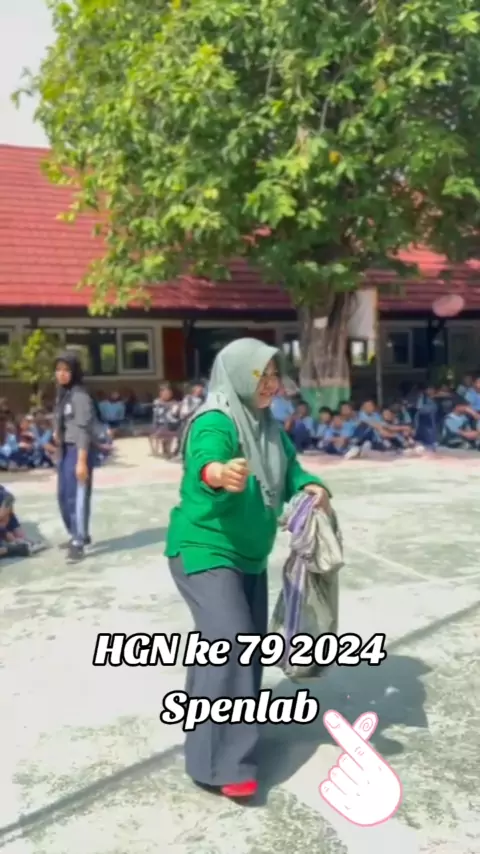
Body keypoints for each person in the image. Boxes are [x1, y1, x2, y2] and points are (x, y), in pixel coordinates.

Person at [165, 338, 330, 800]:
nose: (271, 384)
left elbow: (291, 470)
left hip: (248, 553)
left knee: (238, 647)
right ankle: (224, 764)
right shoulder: (215, 419)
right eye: (262, 375)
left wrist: (312, 486)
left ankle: (212, 738)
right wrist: (218, 474)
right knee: (231, 642)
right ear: (239, 375)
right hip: (204, 548)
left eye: (275, 375)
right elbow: (205, 459)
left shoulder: (269, 427)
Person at [54, 351, 96, 563]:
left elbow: (84, 430)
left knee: (76, 496)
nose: (61, 374)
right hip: (65, 449)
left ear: (75, 372)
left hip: (78, 450)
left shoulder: (80, 396)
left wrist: (81, 461)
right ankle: (76, 533)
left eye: (66, 370)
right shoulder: (63, 393)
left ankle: (78, 542)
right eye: (58, 370)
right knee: (63, 495)